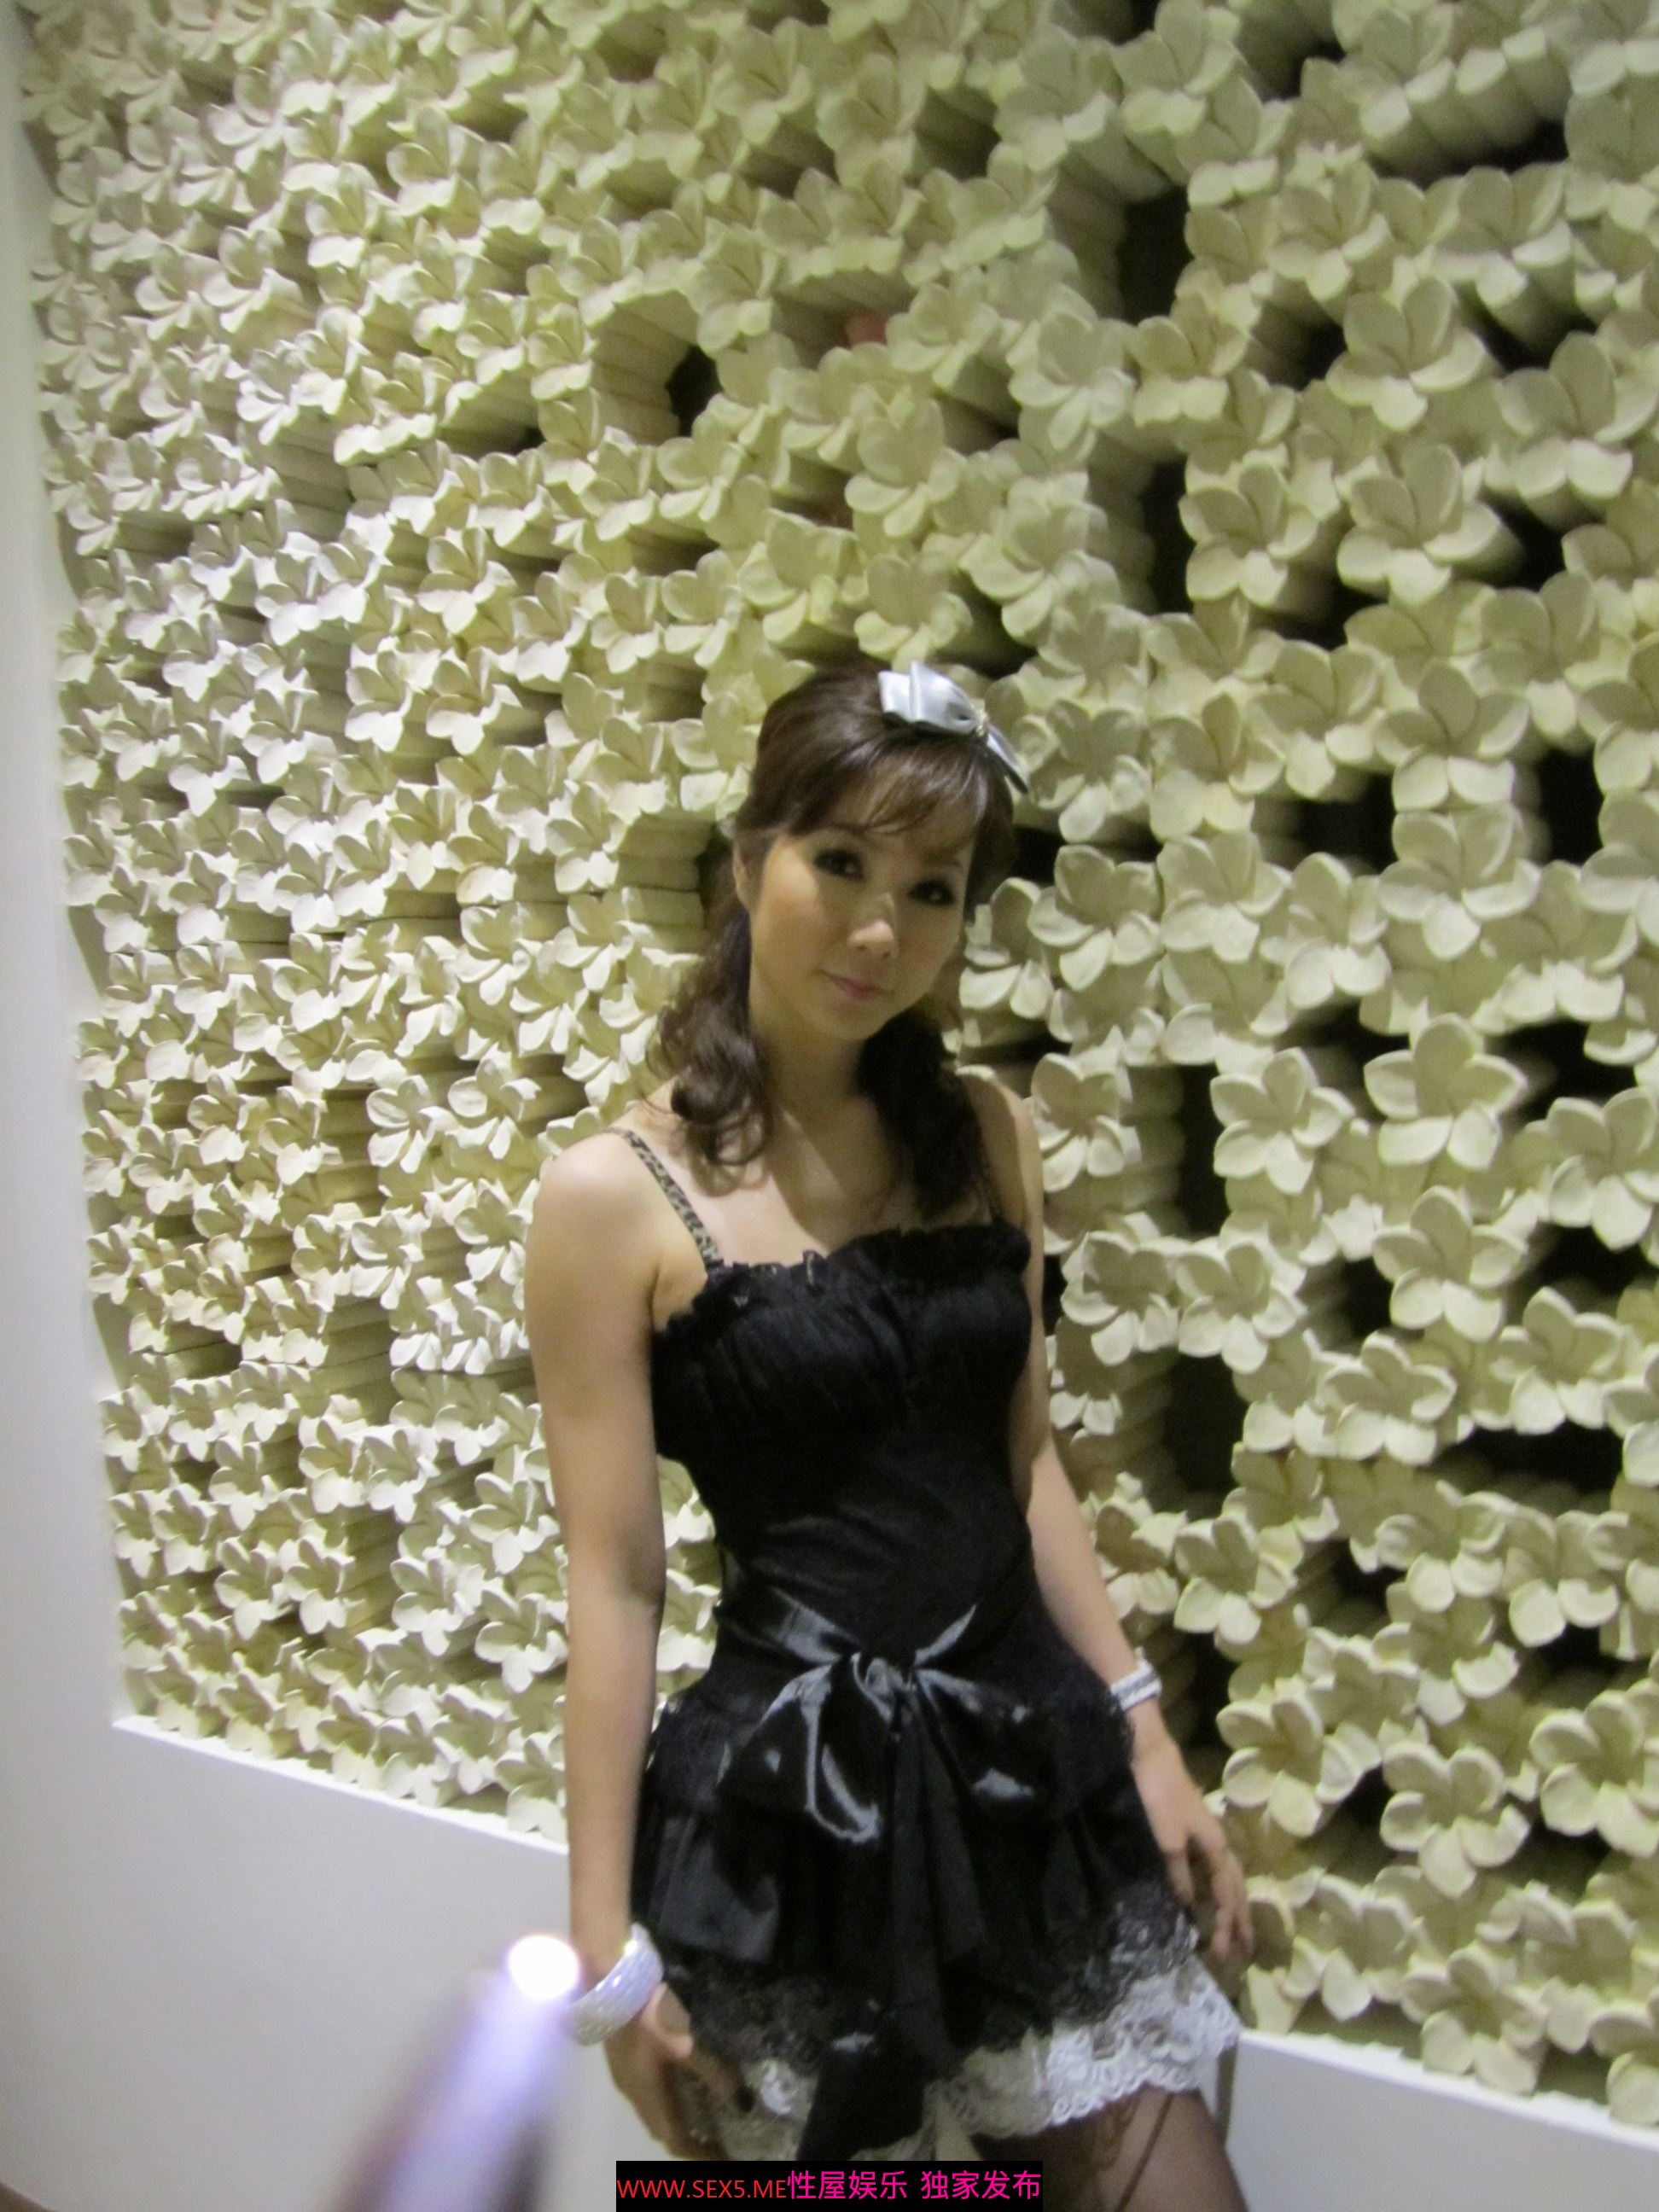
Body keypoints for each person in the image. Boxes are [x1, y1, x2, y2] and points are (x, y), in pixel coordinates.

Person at [523, 655, 1255, 2207]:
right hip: (793, 1821)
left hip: (1028, 1782)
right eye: (840, 863)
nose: (879, 931)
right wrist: (603, 1950)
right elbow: (618, 1582)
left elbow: (1027, 1462)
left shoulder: (987, 1132)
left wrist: (1146, 1729)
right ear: (748, 864)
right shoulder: (607, 1199)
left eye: (932, 890)